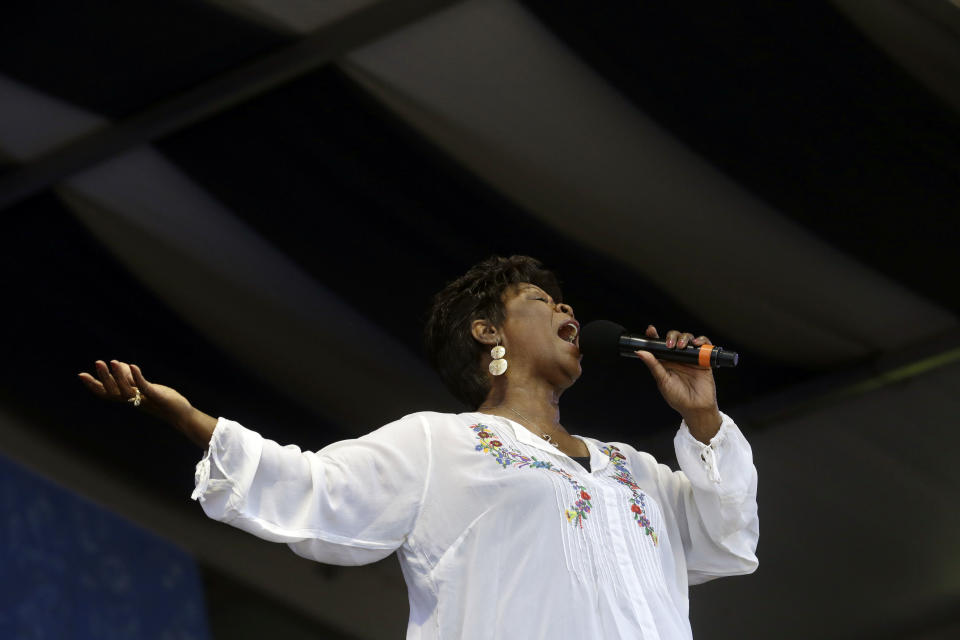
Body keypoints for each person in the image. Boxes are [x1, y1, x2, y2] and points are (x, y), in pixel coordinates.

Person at [79, 255, 758, 639]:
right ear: (489, 331)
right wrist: (189, 419)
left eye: (567, 305)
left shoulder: (634, 471)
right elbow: (314, 489)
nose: (567, 311)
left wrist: (702, 422)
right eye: (543, 301)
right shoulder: (440, 444)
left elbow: (726, 541)